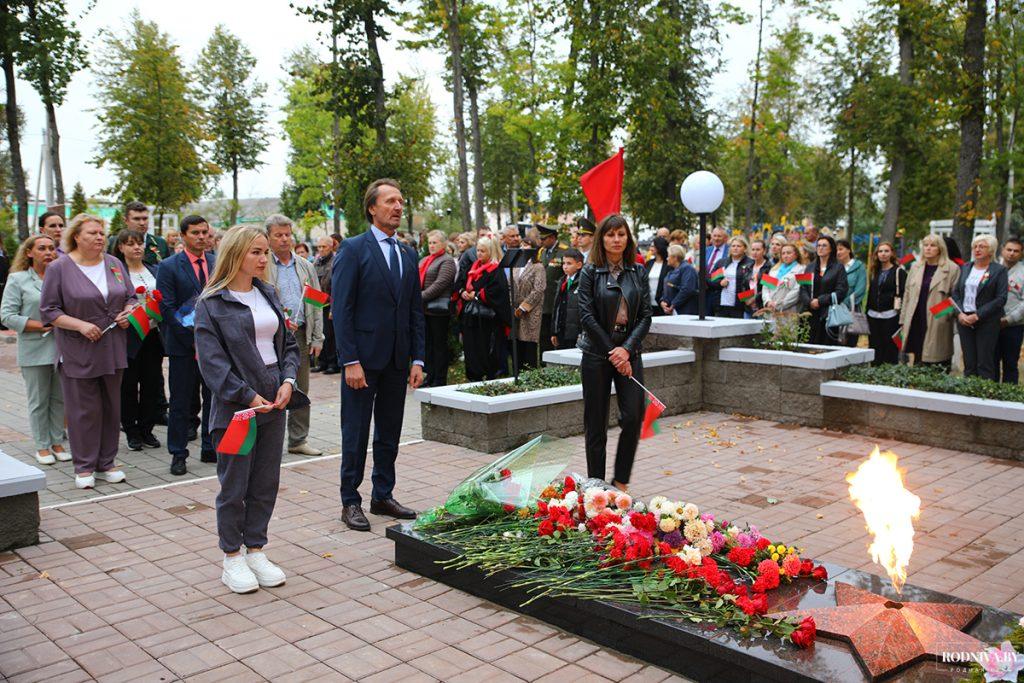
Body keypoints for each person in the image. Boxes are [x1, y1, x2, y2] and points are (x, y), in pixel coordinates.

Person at [194, 226, 303, 594]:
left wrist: (289, 380)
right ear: (236, 253)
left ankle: (256, 549)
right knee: (234, 484)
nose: (264, 258)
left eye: (265, 252)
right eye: (256, 251)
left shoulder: (267, 293)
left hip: (275, 401)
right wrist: (246, 395)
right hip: (236, 410)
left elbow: (288, 345)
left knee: (265, 481)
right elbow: (212, 365)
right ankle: (232, 556)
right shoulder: (211, 304)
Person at [332, 178, 425, 532]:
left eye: (401, 201)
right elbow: (342, 310)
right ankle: (350, 500)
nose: (398, 207)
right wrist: (349, 360)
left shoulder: (407, 252)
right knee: (355, 432)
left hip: (397, 361)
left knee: (389, 431)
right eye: (390, 201)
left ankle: (382, 494)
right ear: (372, 208)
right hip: (362, 362)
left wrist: (418, 359)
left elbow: (414, 310)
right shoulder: (354, 249)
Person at [40, 214, 135, 489]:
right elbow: (49, 310)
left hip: (113, 346)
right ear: (76, 237)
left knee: (110, 407)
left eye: (102, 233)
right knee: (83, 410)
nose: (99, 237)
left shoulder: (114, 264)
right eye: (93, 232)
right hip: (78, 349)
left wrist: (129, 311)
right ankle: (84, 466)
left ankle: (107, 462)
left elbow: (129, 296)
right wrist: (80, 325)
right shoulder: (59, 267)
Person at [577, 214, 651, 492]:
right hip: (597, 353)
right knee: (595, 423)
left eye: (621, 234)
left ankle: (620, 482)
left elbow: (646, 316)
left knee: (634, 416)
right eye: (610, 235)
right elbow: (586, 315)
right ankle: (596, 485)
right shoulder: (589, 271)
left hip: (629, 350)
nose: (616, 240)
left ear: (628, 238)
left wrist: (626, 349)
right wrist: (612, 351)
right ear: (602, 238)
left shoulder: (638, 271)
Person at [1, 235, 68, 465]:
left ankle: (57, 442)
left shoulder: (63, 277)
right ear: (29, 252)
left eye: (52, 248)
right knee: (39, 400)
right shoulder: (18, 279)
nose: (48, 252)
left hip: (63, 348)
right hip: (34, 348)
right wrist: (42, 325)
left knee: (59, 398)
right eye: (42, 248)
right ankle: (42, 446)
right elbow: (7, 316)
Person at [157, 215, 216, 475]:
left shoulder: (216, 262)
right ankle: (178, 452)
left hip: (213, 346)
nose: (201, 237)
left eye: (205, 232)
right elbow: (166, 308)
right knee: (181, 401)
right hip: (183, 346)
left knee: (213, 397)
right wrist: (191, 340)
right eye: (195, 233)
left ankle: (210, 446)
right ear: (183, 236)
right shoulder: (169, 266)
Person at [264, 215, 325, 457]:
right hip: (270, 336)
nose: (284, 239)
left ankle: (298, 440)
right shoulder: (263, 264)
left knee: (300, 387)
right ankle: (268, 441)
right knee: (269, 386)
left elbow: (317, 302)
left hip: (299, 334)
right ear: (268, 237)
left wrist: (318, 337)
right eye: (278, 235)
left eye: (287, 234)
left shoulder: (305, 266)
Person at [115, 230, 164, 451]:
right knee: (128, 385)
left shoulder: (154, 270)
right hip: (129, 335)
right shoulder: (117, 273)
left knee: (152, 383)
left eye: (139, 243)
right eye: (130, 244)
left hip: (153, 334)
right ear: (121, 248)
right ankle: (131, 431)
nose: (136, 247)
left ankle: (147, 429)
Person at [899, 234, 960, 368]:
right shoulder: (916, 266)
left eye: (932, 245)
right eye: (925, 245)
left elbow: (956, 296)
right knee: (917, 356)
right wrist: (903, 319)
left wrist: (941, 315)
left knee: (936, 360)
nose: (928, 248)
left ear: (940, 249)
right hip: (915, 317)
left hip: (936, 320)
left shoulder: (952, 268)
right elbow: (907, 293)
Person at [454, 236, 511, 380]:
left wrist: (477, 295)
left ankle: (489, 375)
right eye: (478, 250)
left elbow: (498, 292)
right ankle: (473, 376)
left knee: (485, 350)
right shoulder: (473, 267)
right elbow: (460, 281)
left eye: (483, 251)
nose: (479, 254)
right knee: (471, 349)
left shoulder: (496, 269)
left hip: (488, 320)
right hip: (471, 316)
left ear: (491, 252)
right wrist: (462, 292)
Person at [953, 235, 1007, 380]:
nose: (977, 249)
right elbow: (956, 293)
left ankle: (984, 396)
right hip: (964, 320)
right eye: (975, 246)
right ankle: (968, 395)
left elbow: (1001, 298)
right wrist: (960, 314)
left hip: (986, 321)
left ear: (991, 250)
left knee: (984, 362)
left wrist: (978, 315)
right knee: (969, 362)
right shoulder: (965, 267)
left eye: (982, 246)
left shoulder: (999, 270)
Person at [420, 229, 456, 387]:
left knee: (439, 345)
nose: (432, 246)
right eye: (430, 243)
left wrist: (419, 297)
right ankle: (430, 375)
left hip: (438, 310)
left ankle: (440, 379)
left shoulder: (447, 261)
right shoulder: (425, 260)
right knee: (427, 345)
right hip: (424, 309)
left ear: (443, 243)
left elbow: (440, 284)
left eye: (435, 242)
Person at [801, 236, 849, 345]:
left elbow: (841, 291)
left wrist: (820, 301)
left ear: (831, 248)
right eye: (818, 245)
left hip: (828, 314)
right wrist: (809, 301)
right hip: (810, 313)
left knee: (825, 346)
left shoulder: (838, 268)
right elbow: (803, 288)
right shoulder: (810, 267)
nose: (820, 248)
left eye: (824, 245)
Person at [866, 241, 907, 366]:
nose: (883, 254)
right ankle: (874, 374)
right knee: (875, 347)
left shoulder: (899, 272)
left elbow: (904, 293)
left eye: (886, 251)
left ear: (892, 253)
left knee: (890, 348)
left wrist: (901, 316)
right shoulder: (874, 271)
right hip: (873, 315)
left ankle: (888, 375)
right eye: (880, 251)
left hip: (891, 315)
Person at [510, 230, 546, 370]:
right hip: (515, 310)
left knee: (529, 344)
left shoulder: (538, 267)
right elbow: (510, 286)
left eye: (527, 245)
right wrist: (512, 305)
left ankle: (530, 373)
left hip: (530, 312)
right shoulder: (516, 266)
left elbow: (539, 289)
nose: (523, 248)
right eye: (522, 245)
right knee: (517, 344)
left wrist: (524, 307)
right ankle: (517, 371)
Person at [996, 237, 1024, 382]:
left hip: (1013, 326)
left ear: (1021, 254)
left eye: (1016, 251)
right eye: (1009, 250)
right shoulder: (992, 268)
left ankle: (1009, 398)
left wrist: (1008, 319)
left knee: (1010, 364)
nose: (1012, 253)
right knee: (991, 362)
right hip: (991, 324)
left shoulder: (1023, 272)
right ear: (1002, 250)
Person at [537, 224, 567, 357]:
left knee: (557, 335)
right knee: (543, 336)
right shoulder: (542, 252)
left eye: (544, 239)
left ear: (553, 238)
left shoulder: (564, 251)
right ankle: (544, 364)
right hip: (543, 302)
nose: (541, 242)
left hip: (557, 300)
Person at [711, 236, 754, 319]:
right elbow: (711, 280)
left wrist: (746, 299)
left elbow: (752, 285)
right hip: (722, 305)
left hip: (740, 307)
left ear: (745, 248)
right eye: (733, 246)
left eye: (738, 246)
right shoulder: (721, 263)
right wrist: (720, 283)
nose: (735, 248)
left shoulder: (750, 264)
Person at [313, 236, 339, 375]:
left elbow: (337, 285)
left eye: (324, 247)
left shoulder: (336, 261)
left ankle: (332, 363)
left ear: (331, 247)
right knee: (319, 332)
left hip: (330, 302)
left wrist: (334, 307)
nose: (321, 249)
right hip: (317, 301)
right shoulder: (316, 262)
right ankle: (322, 362)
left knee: (330, 335)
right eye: (319, 247)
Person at [837, 239, 867, 347]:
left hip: (851, 311)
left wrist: (844, 304)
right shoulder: (835, 267)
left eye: (841, 249)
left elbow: (860, 290)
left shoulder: (859, 266)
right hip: (835, 312)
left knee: (849, 344)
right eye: (836, 250)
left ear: (849, 250)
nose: (838, 252)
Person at [551, 249, 583, 348]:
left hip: (575, 333)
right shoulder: (562, 281)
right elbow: (556, 308)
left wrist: (582, 333)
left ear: (578, 265)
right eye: (563, 263)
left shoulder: (583, 282)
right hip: (561, 330)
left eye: (569, 263)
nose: (565, 266)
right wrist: (554, 331)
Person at [763, 242, 805, 314]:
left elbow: (797, 291)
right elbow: (765, 288)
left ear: (796, 255)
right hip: (770, 309)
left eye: (789, 253)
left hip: (789, 311)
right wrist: (768, 301)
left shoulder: (803, 269)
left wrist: (778, 305)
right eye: (783, 253)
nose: (785, 256)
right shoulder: (774, 269)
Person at [660, 244, 698, 315]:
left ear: (675, 257)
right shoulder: (671, 271)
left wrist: (673, 304)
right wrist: (663, 301)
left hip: (685, 311)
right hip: (673, 311)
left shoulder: (687, 268)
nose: (667, 258)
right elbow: (667, 288)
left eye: (668, 256)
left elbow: (687, 289)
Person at [702, 227, 729, 312]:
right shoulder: (706, 250)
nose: (716, 238)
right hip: (706, 289)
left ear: (725, 238)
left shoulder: (729, 251)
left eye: (719, 236)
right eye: (714, 236)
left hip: (721, 289)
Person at [645, 237, 673, 317]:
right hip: (648, 303)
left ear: (659, 247)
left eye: (653, 246)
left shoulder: (668, 265)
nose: (650, 248)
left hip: (663, 303)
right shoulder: (648, 263)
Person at [748, 239, 772, 314]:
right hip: (748, 307)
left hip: (762, 306)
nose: (755, 252)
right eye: (753, 249)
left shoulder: (769, 267)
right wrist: (746, 299)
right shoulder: (748, 267)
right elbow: (744, 285)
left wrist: (755, 298)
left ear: (764, 251)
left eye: (758, 250)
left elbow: (769, 287)